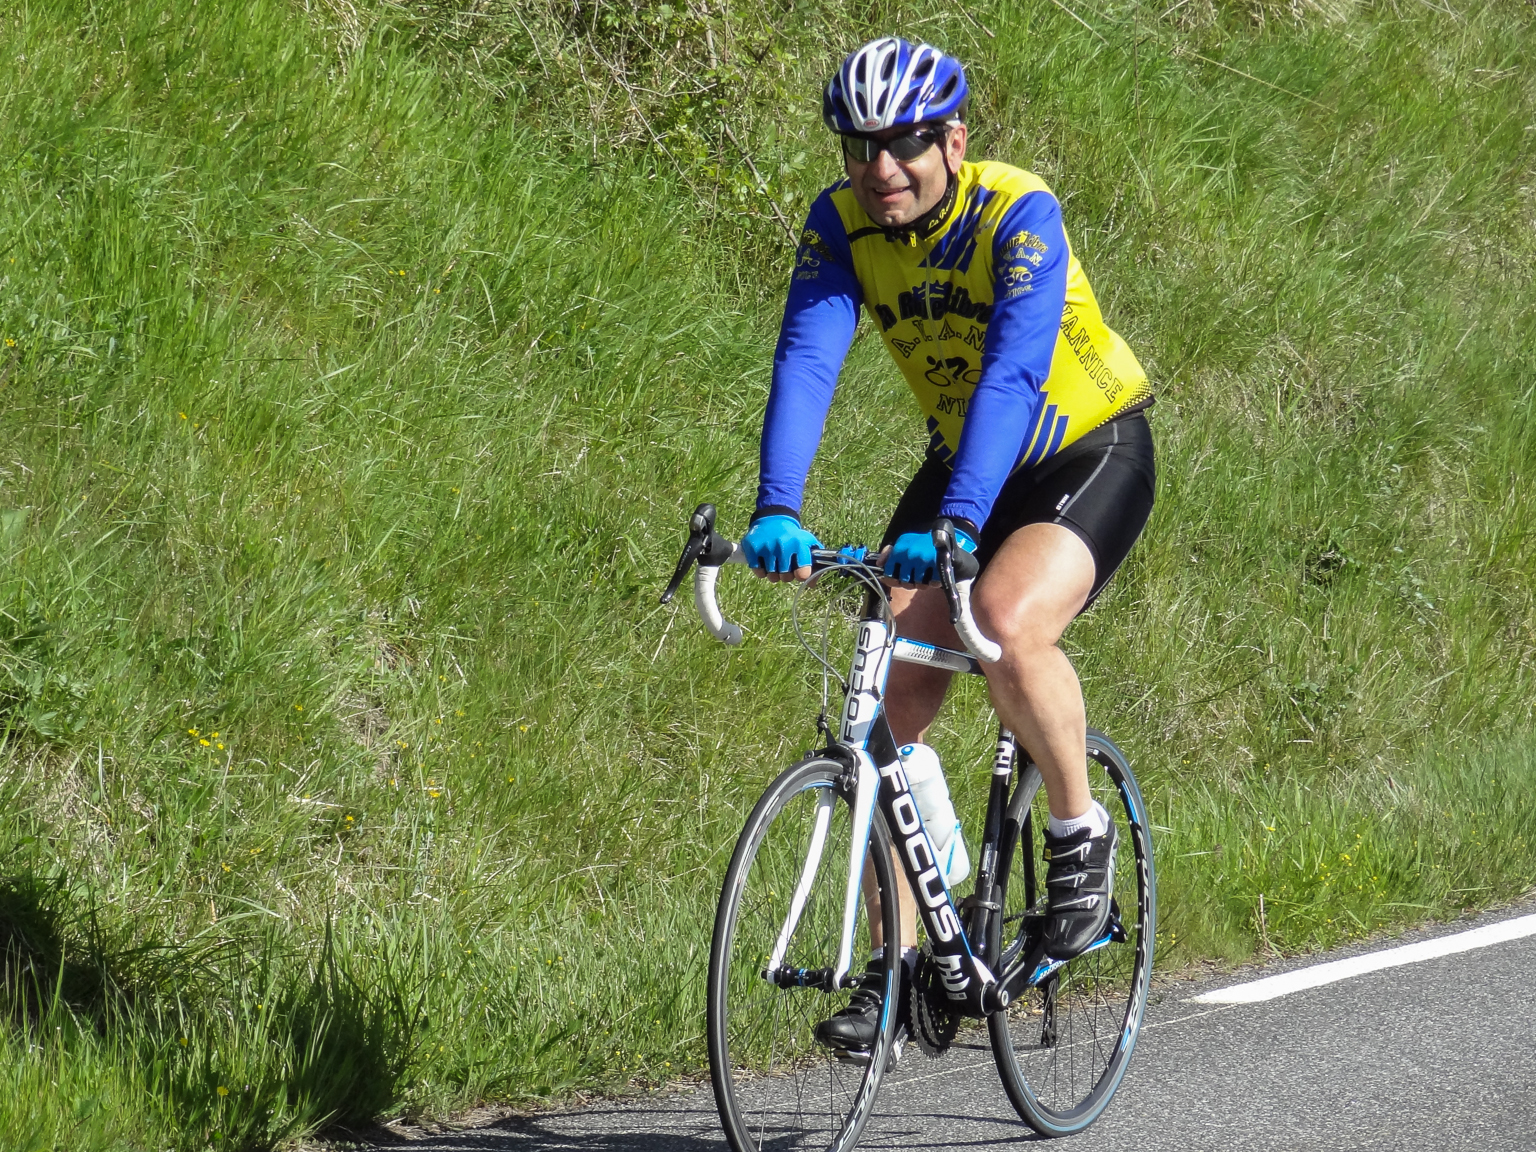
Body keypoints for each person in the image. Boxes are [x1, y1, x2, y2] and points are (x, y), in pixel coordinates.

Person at [739, 37, 1157, 1054]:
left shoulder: (1018, 212)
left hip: (1083, 448)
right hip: (965, 459)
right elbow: (808, 358)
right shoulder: (839, 224)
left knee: (1004, 622)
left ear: (953, 142)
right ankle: (897, 969)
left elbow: (1013, 375)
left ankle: (1079, 837)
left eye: (905, 145)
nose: (880, 168)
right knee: (880, 707)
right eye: (859, 148)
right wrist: (777, 507)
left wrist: (962, 526)